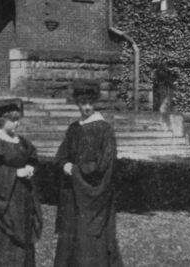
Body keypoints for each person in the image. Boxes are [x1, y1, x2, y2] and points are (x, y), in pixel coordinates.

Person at [54, 79, 123, 267]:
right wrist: (64, 165)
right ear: (77, 103)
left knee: (91, 236)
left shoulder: (104, 129)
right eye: (83, 103)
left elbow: (105, 164)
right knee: (72, 234)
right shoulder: (74, 128)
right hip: (73, 194)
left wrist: (76, 170)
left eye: (90, 103)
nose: (87, 107)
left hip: (95, 194)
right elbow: (61, 155)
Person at [0, 101, 42, 267]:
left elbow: (32, 155)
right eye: (13, 120)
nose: (17, 123)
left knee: (24, 233)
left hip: (23, 198)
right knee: (4, 240)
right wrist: (15, 173)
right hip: (4, 201)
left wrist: (30, 166)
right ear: (2, 121)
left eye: (18, 119)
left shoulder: (21, 141)